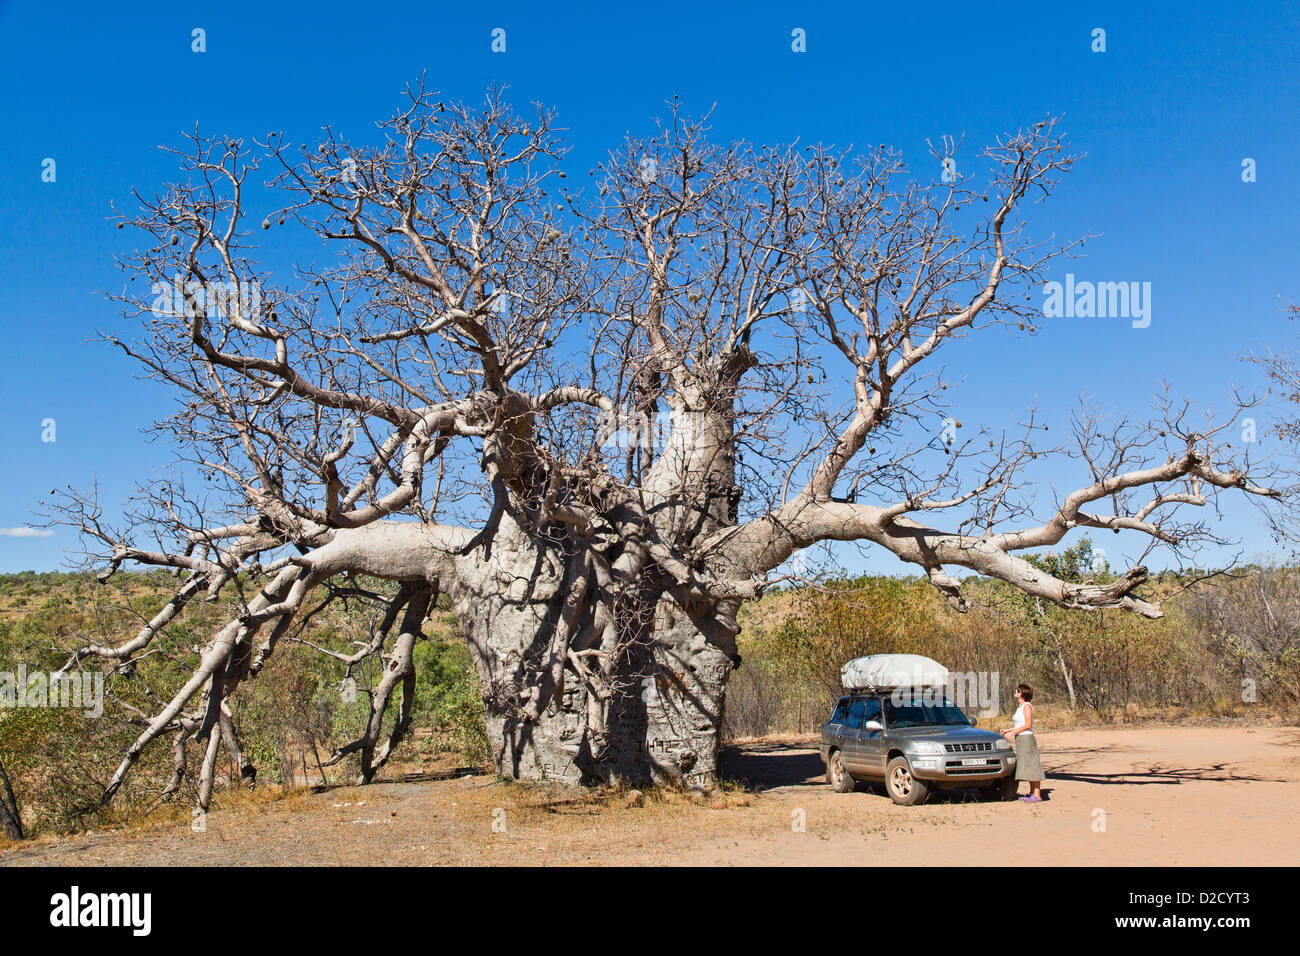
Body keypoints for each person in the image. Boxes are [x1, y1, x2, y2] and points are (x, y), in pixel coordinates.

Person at [1003, 683, 1043, 802]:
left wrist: (1013, 733)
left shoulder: (1027, 706)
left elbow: (1027, 725)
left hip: (1027, 739)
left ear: (1023, 693)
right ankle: (1032, 793)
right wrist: (1009, 730)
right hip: (1020, 739)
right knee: (1026, 765)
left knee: (1032, 764)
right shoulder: (1020, 707)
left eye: (1018, 690)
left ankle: (1037, 794)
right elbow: (1020, 724)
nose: (1016, 692)